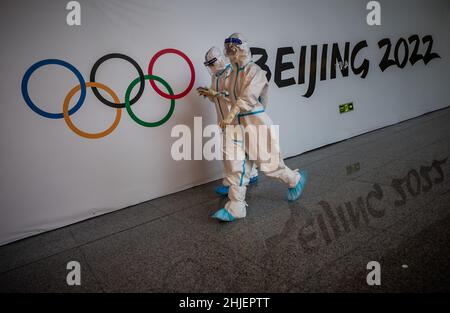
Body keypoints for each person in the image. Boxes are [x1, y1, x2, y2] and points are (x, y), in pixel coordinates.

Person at [211, 33, 308, 222]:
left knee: (268, 163)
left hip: (254, 121)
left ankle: (294, 179)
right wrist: (214, 94)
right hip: (236, 124)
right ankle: (236, 206)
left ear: (242, 49)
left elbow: (248, 96)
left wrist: (231, 113)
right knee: (235, 163)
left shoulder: (255, 71)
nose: (230, 53)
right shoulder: (232, 74)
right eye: (228, 50)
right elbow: (229, 95)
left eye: (233, 49)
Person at [197, 47, 258, 201]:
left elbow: (234, 97)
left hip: (235, 119)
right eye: (208, 64)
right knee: (229, 153)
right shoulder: (215, 77)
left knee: (234, 153)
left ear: (220, 60)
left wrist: (216, 94)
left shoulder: (231, 73)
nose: (211, 66)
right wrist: (209, 94)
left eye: (213, 62)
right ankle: (236, 179)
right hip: (223, 120)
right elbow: (215, 98)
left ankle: (244, 177)